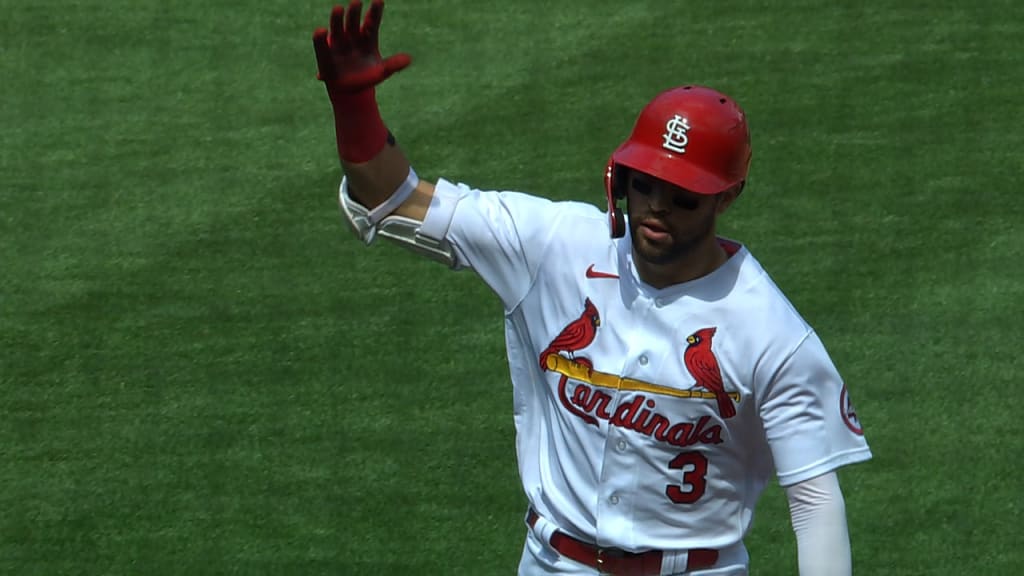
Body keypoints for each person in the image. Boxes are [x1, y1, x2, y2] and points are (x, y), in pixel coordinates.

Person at [311, 2, 873, 575]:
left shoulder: (771, 332)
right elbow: (395, 200)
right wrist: (354, 107)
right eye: (646, 183)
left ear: (727, 198)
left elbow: (814, 501)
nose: (658, 207)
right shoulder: (553, 246)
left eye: (684, 196)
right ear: (621, 175)